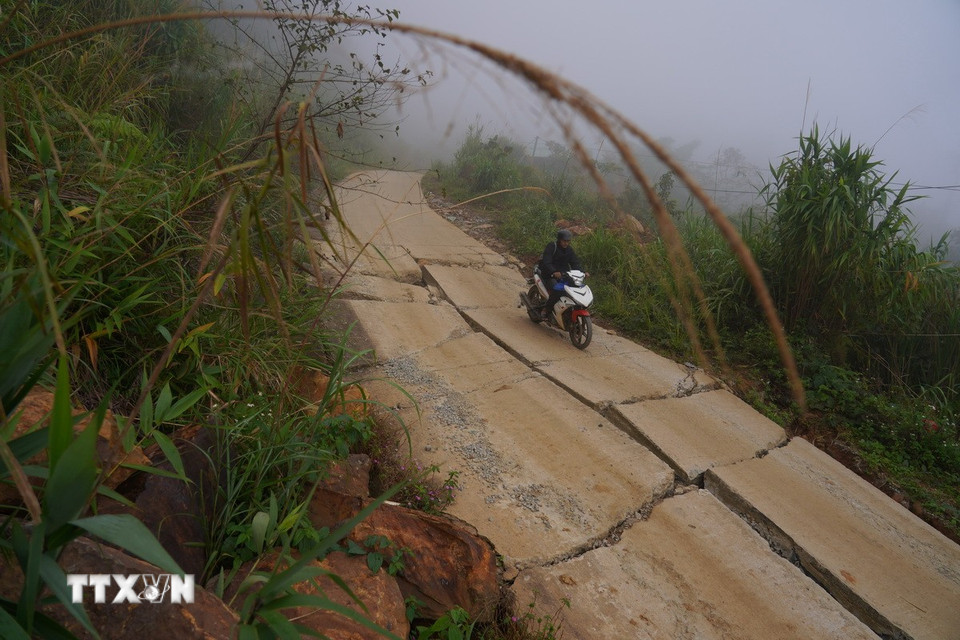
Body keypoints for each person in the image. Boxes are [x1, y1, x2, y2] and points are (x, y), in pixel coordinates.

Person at [538, 228, 586, 319]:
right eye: (564, 241)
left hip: (564, 276)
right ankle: (546, 309)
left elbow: (575, 263)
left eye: (568, 241)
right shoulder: (552, 246)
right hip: (549, 275)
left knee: (576, 288)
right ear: (559, 240)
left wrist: (583, 272)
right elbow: (546, 261)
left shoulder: (569, 250)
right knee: (557, 289)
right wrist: (554, 271)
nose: (566, 243)